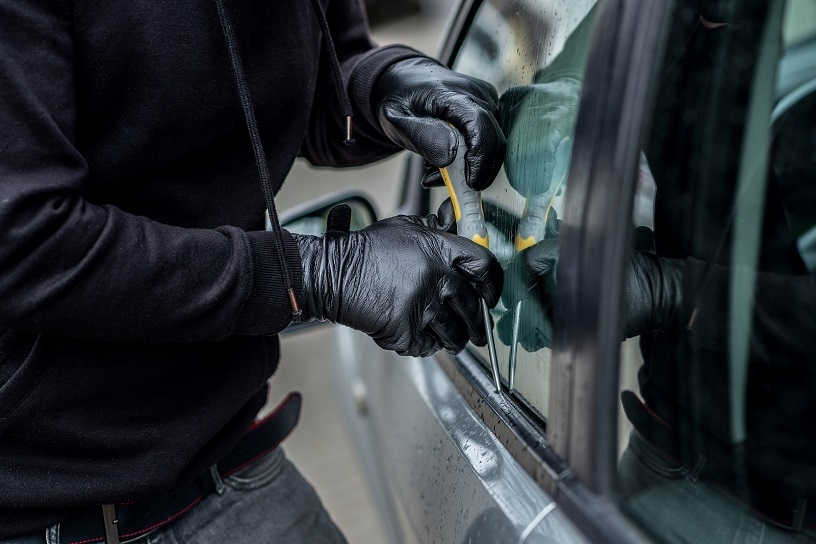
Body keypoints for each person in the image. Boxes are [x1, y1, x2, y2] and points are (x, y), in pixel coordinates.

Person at [0, 0, 506, 542]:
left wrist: (380, 88)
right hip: (41, 513)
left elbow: (313, 83)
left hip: (228, 470)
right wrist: (311, 275)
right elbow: (25, 244)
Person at [498, 0, 816, 541]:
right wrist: (565, 94)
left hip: (785, 507)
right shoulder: (671, 14)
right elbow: (594, 53)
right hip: (660, 452)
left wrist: (674, 291)